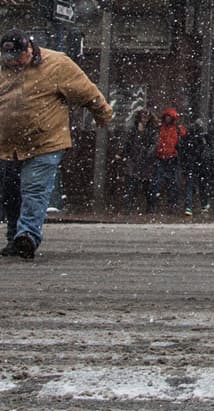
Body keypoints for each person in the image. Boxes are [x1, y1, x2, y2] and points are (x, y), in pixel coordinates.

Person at [1, 31, 113, 259]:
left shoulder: (57, 64)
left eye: (16, 55)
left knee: (34, 189)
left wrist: (102, 113)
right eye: (7, 56)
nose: (12, 61)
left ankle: (28, 236)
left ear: (28, 49)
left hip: (45, 142)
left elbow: (86, 91)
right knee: (10, 193)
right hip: (6, 146)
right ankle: (15, 237)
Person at [117, 108, 158, 215]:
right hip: (133, 160)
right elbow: (127, 143)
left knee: (147, 187)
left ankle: (151, 208)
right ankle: (129, 207)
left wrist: (147, 154)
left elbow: (153, 145)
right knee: (131, 185)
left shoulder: (152, 130)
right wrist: (122, 154)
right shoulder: (133, 129)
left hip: (146, 162)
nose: (144, 119)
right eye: (143, 117)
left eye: (146, 117)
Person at [150, 107, 185, 213]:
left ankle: (170, 204)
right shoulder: (161, 128)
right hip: (161, 157)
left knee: (172, 183)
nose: (168, 119)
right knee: (157, 182)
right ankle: (156, 204)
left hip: (171, 158)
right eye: (167, 117)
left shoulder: (176, 129)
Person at [179, 117, 214, 215]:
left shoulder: (189, 136)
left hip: (194, 163)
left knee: (191, 185)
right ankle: (203, 205)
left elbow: (183, 149)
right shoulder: (203, 136)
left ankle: (190, 206)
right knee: (201, 185)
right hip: (199, 164)